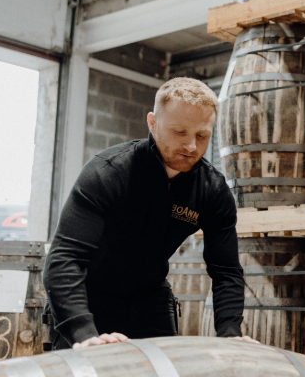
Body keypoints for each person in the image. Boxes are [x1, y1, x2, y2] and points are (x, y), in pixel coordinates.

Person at [43, 77, 257, 349]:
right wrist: (83, 333)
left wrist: (230, 333)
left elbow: (226, 271)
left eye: (202, 136)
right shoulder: (109, 172)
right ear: (153, 123)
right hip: (87, 299)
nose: (191, 146)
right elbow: (64, 259)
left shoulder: (212, 191)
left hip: (149, 299)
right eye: (180, 132)